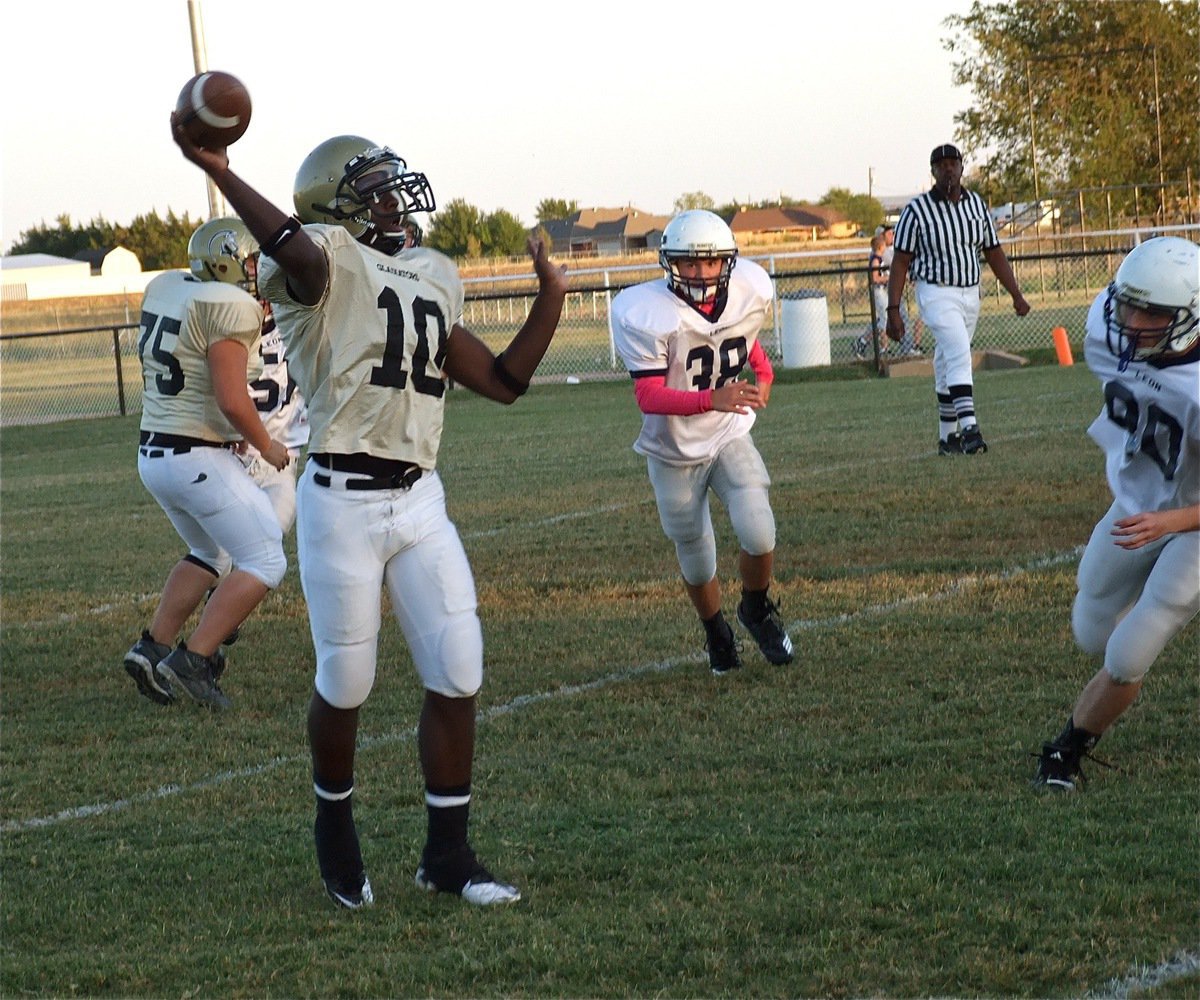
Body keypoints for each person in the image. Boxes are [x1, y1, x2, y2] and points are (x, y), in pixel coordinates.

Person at [172, 121, 568, 910]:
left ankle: (447, 856)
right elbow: (295, 246)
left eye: (392, 183)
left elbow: (502, 381)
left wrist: (550, 299)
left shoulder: (429, 271)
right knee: (346, 680)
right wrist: (222, 171)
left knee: (459, 670)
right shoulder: (318, 266)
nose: (393, 198)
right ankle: (335, 833)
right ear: (337, 207)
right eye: (374, 188)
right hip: (342, 503)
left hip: (421, 498)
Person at [1033, 236, 1200, 791]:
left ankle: (1066, 751)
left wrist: (1172, 524)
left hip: (1189, 521)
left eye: (1150, 311)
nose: (1130, 319)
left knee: (1128, 654)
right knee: (1091, 629)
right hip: (1138, 504)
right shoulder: (1106, 328)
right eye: (1127, 302)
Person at [610, 209, 794, 676]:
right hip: (672, 449)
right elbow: (649, 396)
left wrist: (765, 373)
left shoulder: (746, 291)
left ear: (726, 263)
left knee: (758, 527)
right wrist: (715, 396)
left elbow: (740, 338)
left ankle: (755, 608)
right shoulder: (648, 313)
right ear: (669, 262)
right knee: (695, 548)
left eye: (710, 263)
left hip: (727, 433)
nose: (700, 273)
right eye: (689, 263)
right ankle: (716, 631)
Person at [123, 217, 290, 711]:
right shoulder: (231, 305)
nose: (259, 271)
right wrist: (266, 445)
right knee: (266, 559)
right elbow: (233, 397)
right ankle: (193, 658)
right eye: (252, 260)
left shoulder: (169, 287)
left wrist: (230, 433)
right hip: (192, 456)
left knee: (210, 552)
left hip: (155, 453)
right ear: (228, 260)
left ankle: (152, 646)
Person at [886, 144, 1030, 454]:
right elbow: (900, 260)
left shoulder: (976, 204)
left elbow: (993, 251)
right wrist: (893, 309)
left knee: (946, 360)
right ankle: (970, 429)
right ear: (933, 172)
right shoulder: (917, 210)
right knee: (959, 352)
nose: (949, 169)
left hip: (970, 292)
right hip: (935, 290)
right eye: (942, 165)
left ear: (962, 167)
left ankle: (947, 437)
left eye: (954, 163)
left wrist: (1016, 293)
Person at [242, 299, 309, 534]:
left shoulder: (297, 319)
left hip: (281, 461)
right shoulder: (224, 323)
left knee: (269, 544)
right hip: (229, 455)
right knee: (217, 558)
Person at [879, 223, 923, 356]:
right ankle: (907, 348)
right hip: (887, 291)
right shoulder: (885, 253)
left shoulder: (889, 250)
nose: (892, 235)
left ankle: (862, 342)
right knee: (900, 317)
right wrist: (910, 278)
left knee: (881, 320)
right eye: (889, 234)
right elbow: (898, 265)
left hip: (890, 290)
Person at [854, 232, 890, 360]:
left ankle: (884, 347)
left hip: (882, 291)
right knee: (884, 319)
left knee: (884, 319)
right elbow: (875, 278)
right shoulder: (875, 259)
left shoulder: (879, 259)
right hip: (878, 291)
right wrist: (887, 278)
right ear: (880, 247)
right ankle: (864, 341)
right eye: (884, 245)